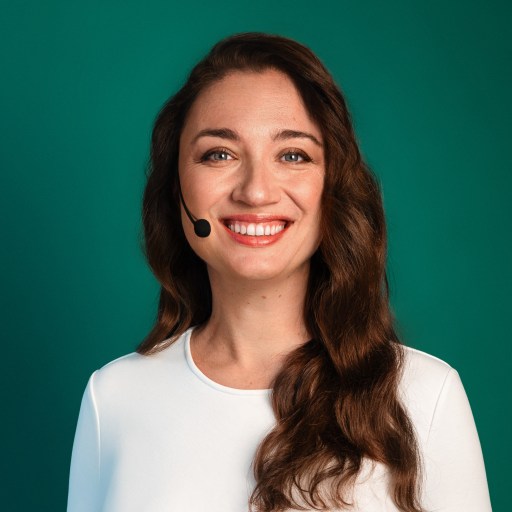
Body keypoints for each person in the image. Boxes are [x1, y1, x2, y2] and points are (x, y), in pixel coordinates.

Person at [66, 32, 492, 512]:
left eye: (293, 155)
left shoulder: (425, 397)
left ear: (332, 188)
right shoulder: (114, 397)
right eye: (219, 154)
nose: (256, 191)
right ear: (175, 187)